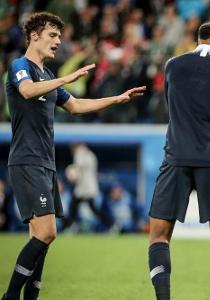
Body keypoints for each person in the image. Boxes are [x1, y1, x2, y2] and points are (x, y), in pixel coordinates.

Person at [2, 12, 145, 300]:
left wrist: (116, 99)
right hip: (27, 160)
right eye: (52, 35)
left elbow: (77, 105)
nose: (58, 41)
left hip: (46, 162)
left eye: (59, 36)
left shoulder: (48, 75)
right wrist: (67, 78)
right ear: (34, 36)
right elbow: (27, 91)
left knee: (39, 237)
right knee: (47, 233)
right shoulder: (20, 66)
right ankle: (10, 296)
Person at [147, 22, 210, 300]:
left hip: (176, 155)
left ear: (197, 40)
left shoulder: (172, 66)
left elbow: (170, 106)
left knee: (159, 235)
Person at [62, 143, 112, 231]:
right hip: (83, 187)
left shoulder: (81, 155)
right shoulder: (90, 155)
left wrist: (72, 173)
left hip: (87, 188)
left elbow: (76, 171)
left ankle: (110, 224)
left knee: (92, 209)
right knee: (74, 207)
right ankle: (70, 225)